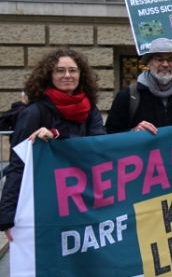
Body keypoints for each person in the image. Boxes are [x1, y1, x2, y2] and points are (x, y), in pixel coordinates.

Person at [1, 48, 106, 238]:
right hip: (45, 203)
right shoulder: (34, 112)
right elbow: (17, 165)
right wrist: (7, 216)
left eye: (73, 70)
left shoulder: (90, 109)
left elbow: (97, 147)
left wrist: (58, 136)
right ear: (49, 76)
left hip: (82, 201)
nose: (67, 75)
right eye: (60, 70)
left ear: (81, 75)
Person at [106, 38, 172, 134]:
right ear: (149, 64)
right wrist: (133, 132)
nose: (165, 64)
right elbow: (111, 135)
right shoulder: (129, 95)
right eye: (159, 59)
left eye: (170, 60)